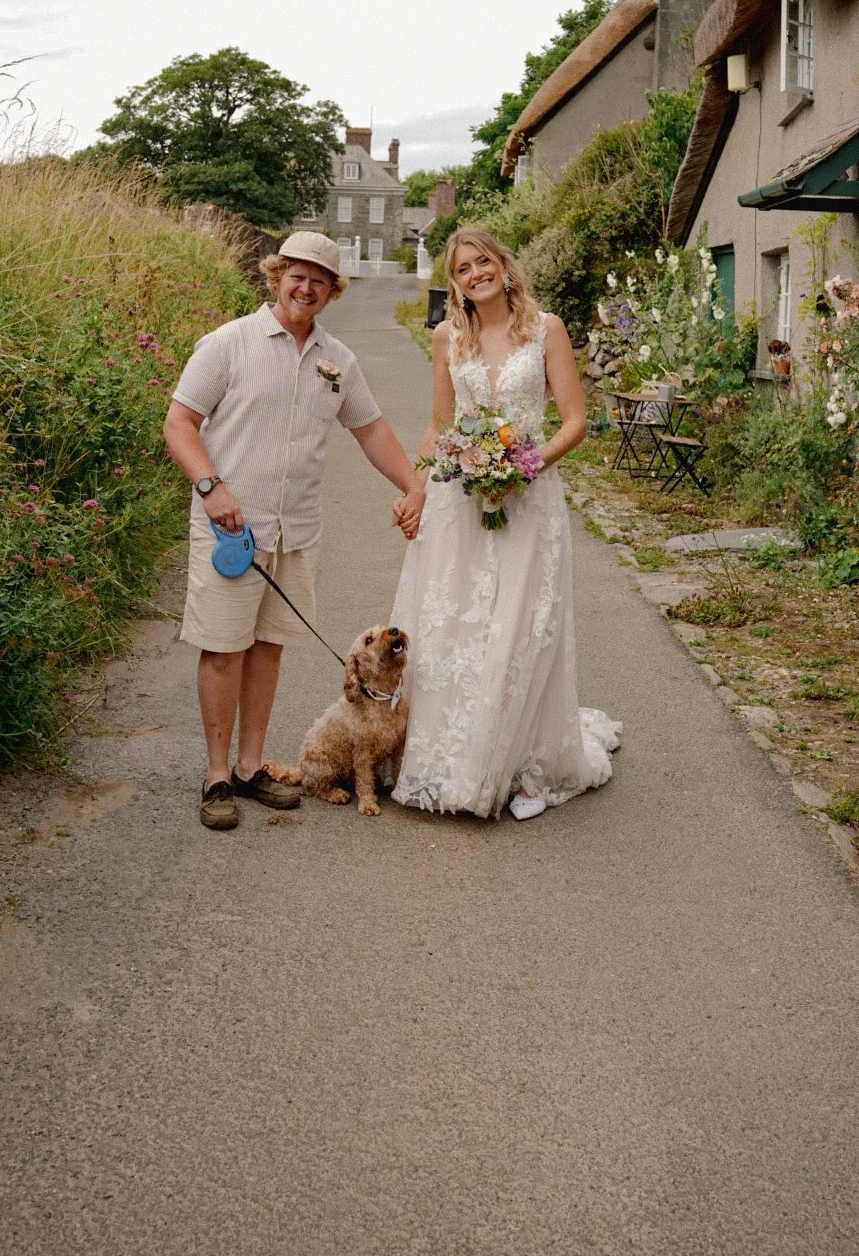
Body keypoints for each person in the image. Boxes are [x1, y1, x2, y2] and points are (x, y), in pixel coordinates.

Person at [164, 231, 427, 832]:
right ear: (276, 275)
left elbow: (371, 429)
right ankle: (216, 776)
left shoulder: (338, 361)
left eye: (318, 280)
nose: (305, 287)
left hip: (296, 529)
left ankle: (253, 767)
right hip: (232, 529)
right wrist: (210, 486)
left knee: (267, 647)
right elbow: (179, 424)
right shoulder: (227, 345)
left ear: (332, 291)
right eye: (296, 275)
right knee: (224, 647)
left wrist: (412, 486)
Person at [390, 228, 621, 820]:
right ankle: (448, 757)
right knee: (457, 626)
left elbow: (573, 421)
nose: (474, 275)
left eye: (482, 262)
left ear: (503, 266)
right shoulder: (448, 337)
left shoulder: (546, 329)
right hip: (459, 501)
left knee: (522, 625)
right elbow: (440, 426)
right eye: (462, 269)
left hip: (530, 499)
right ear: (456, 284)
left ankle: (521, 766)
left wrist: (525, 466)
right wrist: (416, 487)